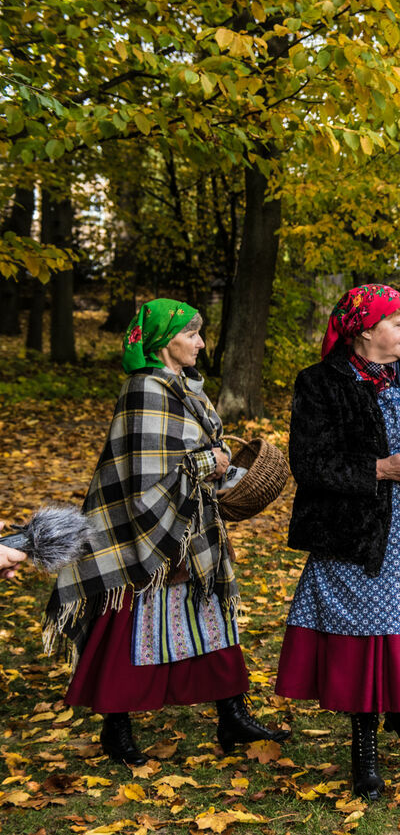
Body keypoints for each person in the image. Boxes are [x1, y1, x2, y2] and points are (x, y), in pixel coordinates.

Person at [43, 299, 288, 765]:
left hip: (192, 523)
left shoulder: (185, 387)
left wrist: (217, 465)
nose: (200, 342)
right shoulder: (144, 389)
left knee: (210, 612)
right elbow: (144, 475)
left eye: (200, 333)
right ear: (162, 342)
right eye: (192, 334)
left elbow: (194, 452)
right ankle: (116, 727)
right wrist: (207, 461)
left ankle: (231, 713)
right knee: (131, 619)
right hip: (146, 528)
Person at [278, 284, 400, 801]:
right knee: (368, 638)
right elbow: (309, 463)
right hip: (357, 534)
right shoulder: (320, 383)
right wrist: (377, 469)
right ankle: (363, 749)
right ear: (366, 330)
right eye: (399, 322)